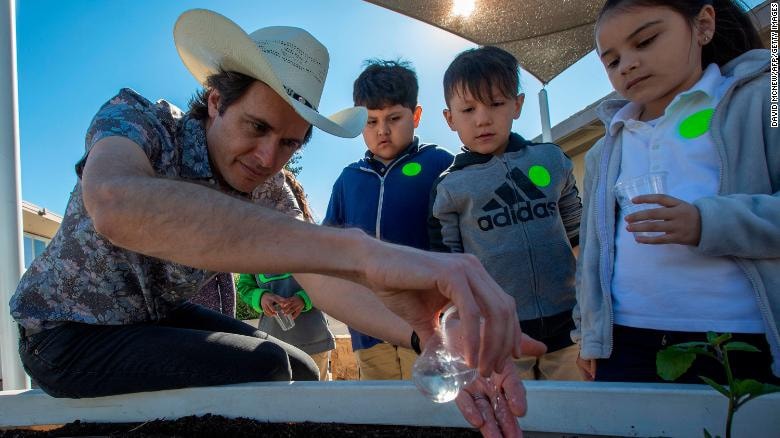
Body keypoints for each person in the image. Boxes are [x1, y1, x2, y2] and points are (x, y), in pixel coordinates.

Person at [8, 9, 537, 436]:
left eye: (288, 142)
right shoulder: (137, 119)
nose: (267, 157)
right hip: (65, 334)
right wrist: (363, 251)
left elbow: (322, 278)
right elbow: (115, 203)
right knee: (261, 371)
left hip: (153, 322)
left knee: (302, 373)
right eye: (256, 127)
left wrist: (433, 342)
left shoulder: (271, 188)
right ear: (215, 101)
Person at [574, 0, 779, 384]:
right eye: (612, 61)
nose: (628, 64)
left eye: (646, 40)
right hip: (627, 343)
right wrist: (590, 332)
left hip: (745, 338)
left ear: (703, 25)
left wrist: (706, 221)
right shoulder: (606, 148)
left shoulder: (764, 101)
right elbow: (593, 249)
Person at [429, 46, 583, 381]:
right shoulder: (450, 187)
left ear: (517, 105)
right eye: (468, 109)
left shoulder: (552, 160)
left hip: (571, 327)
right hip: (498, 336)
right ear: (449, 118)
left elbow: (580, 238)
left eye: (496, 104)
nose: (482, 119)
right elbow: (448, 268)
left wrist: (591, 315)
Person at [323, 59, 454, 381]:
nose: (382, 130)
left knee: (433, 411)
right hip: (367, 329)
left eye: (394, 118)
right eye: (371, 121)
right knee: (382, 413)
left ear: (417, 115)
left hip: (429, 325)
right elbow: (328, 246)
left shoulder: (441, 164)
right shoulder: (348, 179)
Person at [237, 170, 335, 381]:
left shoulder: (310, 242)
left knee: (318, 399)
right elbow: (244, 286)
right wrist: (261, 297)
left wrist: (303, 299)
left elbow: (327, 283)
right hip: (272, 345)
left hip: (313, 341)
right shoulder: (251, 250)